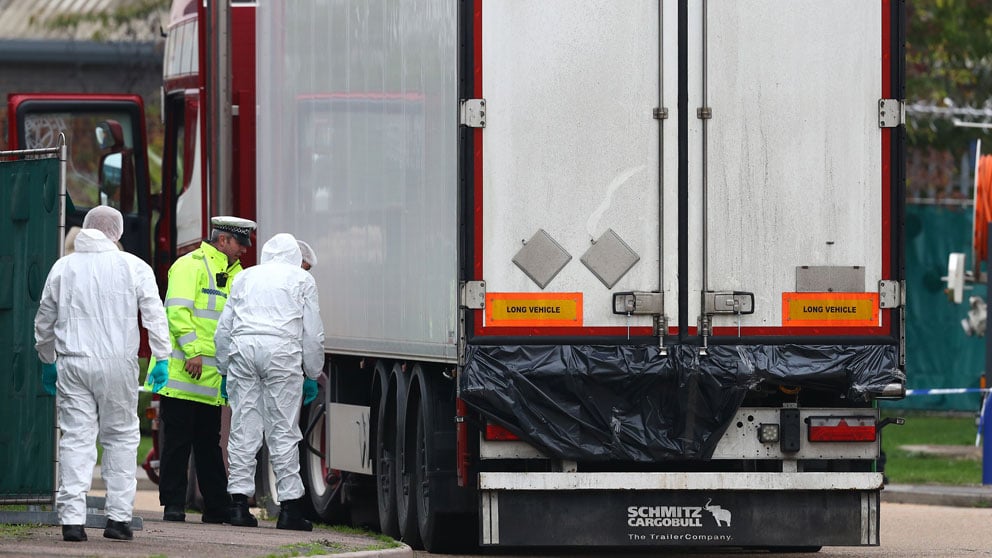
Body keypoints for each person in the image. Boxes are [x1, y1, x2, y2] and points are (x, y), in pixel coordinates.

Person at [34, 205, 171, 542]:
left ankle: (72, 521)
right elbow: (154, 313)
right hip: (117, 364)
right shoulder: (134, 266)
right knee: (121, 437)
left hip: (72, 362)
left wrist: (47, 357)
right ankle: (119, 519)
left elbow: (44, 319)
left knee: (77, 439)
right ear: (118, 233)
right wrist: (161, 357)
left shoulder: (63, 267)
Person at [149, 215, 256, 524]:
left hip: (211, 377)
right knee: (178, 441)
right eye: (239, 243)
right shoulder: (189, 265)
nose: (243, 251)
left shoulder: (238, 275)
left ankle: (216, 506)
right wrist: (193, 350)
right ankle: (173, 505)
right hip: (184, 371)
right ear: (222, 240)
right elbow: (176, 311)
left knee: (209, 443)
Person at [215, 233, 324, 531]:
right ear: (293, 256)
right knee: (283, 430)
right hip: (281, 353)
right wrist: (311, 373)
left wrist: (224, 368)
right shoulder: (302, 281)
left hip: (244, 348)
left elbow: (224, 327)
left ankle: (238, 504)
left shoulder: (245, 278)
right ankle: (289, 509)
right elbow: (312, 333)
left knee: (243, 427)